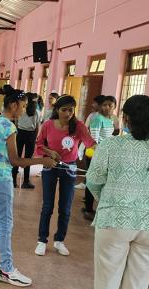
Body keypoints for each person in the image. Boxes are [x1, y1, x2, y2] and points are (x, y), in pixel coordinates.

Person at [84, 95, 149, 289]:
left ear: (126, 118)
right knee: (138, 282)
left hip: (114, 220)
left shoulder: (111, 146)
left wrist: (108, 199)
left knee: (108, 277)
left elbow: (93, 180)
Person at [0, 86, 55, 287]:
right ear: (13, 105)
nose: (25, 109)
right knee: (6, 224)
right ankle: (7, 269)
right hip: (1, 179)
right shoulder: (9, 127)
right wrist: (42, 161)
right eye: (24, 105)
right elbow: (16, 160)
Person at [34, 95, 96, 257]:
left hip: (69, 168)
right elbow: (39, 145)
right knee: (47, 206)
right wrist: (50, 152)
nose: (68, 113)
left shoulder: (79, 126)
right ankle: (42, 240)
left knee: (65, 208)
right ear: (57, 110)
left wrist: (101, 150)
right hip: (51, 167)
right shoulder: (48, 125)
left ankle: (59, 240)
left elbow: (91, 143)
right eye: (64, 110)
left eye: (71, 109)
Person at [83, 96, 116, 220]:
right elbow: (94, 139)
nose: (107, 107)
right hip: (95, 154)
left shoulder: (110, 119)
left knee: (101, 181)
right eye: (105, 105)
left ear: (114, 107)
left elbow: (110, 136)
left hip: (105, 153)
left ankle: (95, 207)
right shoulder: (97, 118)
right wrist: (101, 154)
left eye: (110, 105)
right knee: (92, 180)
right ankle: (88, 208)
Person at [11, 93, 42, 189]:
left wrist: (17, 131)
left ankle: (13, 181)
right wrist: (35, 138)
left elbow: (16, 122)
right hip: (31, 135)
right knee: (28, 159)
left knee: (17, 156)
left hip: (19, 133)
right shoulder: (37, 112)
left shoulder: (22, 110)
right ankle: (26, 182)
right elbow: (37, 127)